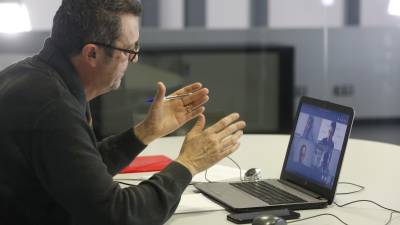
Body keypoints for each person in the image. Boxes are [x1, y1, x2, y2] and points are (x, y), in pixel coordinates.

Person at [0, 1, 246, 225]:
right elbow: (118, 215)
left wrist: (146, 132)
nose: (135, 59)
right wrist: (189, 163)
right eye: (129, 50)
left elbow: (78, 172)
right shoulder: (53, 109)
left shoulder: (29, 76)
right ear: (92, 53)